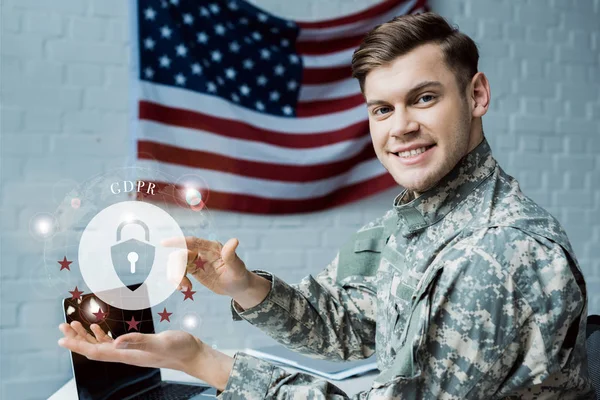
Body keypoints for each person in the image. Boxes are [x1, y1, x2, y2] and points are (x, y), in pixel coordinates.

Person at [58, 12, 596, 399]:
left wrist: (204, 361)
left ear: (476, 96)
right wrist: (242, 286)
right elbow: (348, 325)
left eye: (424, 98)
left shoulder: (503, 252)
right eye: (381, 109)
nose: (401, 126)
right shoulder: (411, 221)